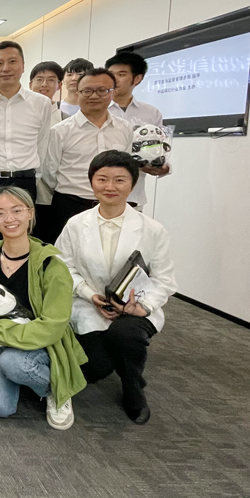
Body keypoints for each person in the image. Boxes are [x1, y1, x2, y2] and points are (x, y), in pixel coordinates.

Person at [56, 150, 177, 424]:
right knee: (95, 368)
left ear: (132, 184)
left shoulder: (152, 229)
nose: (110, 186)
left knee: (125, 335)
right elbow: (62, 268)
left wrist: (142, 307)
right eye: (102, 179)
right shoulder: (76, 224)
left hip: (136, 307)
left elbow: (165, 280)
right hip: (90, 305)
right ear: (91, 182)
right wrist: (89, 294)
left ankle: (134, 388)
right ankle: (112, 359)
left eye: (119, 180)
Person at [0, 186, 87, 429]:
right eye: (0, 213)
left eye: (17, 210)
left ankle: (55, 389)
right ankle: (21, 378)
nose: (9, 219)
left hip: (40, 343)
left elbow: (52, 327)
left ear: (30, 213)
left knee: (14, 364)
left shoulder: (52, 266)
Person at [39, 68, 133, 244]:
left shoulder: (125, 129)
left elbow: (125, 169)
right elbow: (49, 172)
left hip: (111, 206)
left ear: (112, 93)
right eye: (87, 91)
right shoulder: (60, 131)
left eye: (102, 90)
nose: (94, 96)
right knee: (64, 256)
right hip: (69, 206)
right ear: (78, 93)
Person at [0, 40, 53, 246]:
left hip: (25, 181)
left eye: (12, 61)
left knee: (23, 240)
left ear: (23, 66)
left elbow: (42, 144)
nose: (6, 68)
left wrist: (34, 177)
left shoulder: (41, 103)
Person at [105, 52, 171, 210]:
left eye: (121, 74)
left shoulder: (151, 113)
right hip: (97, 193)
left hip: (133, 196)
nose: (114, 79)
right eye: (111, 74)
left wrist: (161, 167)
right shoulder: (97, 110)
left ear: (137, 79)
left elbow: (159, 150)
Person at [29, 60, 66, 126]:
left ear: (59, 85)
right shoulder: (19, 112)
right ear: (30, 85)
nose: (44, 84)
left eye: (51, 80)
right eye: (39, 79)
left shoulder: (64, 119)